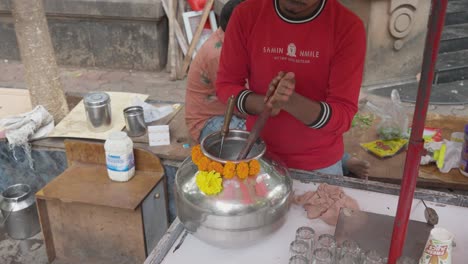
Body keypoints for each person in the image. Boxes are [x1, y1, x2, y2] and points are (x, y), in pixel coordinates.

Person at [215, 0, 367, 176]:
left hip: (319, 164)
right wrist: (266, 105)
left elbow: (343, 114)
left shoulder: (347, 27)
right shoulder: (246, 15)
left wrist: (291, 101)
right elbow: (226, 85)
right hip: (257, 155)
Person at [185, 0, 246, 143]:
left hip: (228, 112)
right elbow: (239, 102)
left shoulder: (230, 38)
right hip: (206, 122)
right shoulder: (218, 54)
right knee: (261, 138)